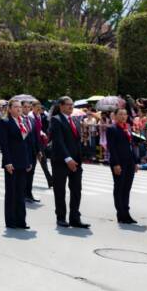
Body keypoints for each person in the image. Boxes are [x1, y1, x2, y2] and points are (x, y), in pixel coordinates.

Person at [49, 96, 89, 228]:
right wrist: (68, 159)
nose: (71, 107)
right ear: (61, 106)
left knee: (76, 190)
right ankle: (61, 217)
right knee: (60, 190)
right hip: (61, 161)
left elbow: (76, 142)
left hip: (76, 162)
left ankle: (75, 218)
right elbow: (59, 142)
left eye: (72, 104)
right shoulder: (56, 120)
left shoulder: (75, 120)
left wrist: (78, 158)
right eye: (68, 104)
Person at [0, 99, 32, 229]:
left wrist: (28, 160)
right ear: (10, 108)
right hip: (12, 162)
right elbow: (4, 144)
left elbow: (26, 144)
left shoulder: (22, 122)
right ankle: (11, 220)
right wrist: (7, 161)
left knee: (21, 192)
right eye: (16, 107)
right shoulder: (5, 122)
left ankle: (21, 220)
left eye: (20, 107)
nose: (19, 109)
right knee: (11, 192)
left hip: (23, 161)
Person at [106, 106, 139, 224]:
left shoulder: (127, 128)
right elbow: (112, 148)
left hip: (129, 162)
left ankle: (126, 212)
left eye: (125, 114)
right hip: (119, 162)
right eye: (120, 114)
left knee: (127, 188)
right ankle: (120, 213)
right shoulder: (112, 129)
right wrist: (116, 164)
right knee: (119, 187)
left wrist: (135, 162)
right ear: (115, 116)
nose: (123, 116)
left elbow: (132, 146)